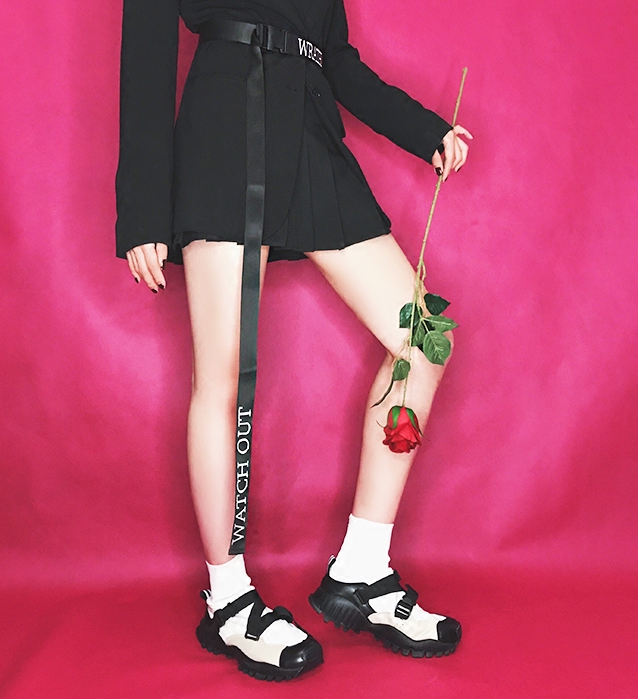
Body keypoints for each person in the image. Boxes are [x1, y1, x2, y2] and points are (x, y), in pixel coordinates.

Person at [115, 0, 472, 682]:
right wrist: (141, 211)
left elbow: (338, 60)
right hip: (226, 127)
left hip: (310, 135)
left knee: (424, 342)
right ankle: (228, 597)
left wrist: (425, 131)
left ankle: (362, 567)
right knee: (221, 376)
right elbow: (147, 53)